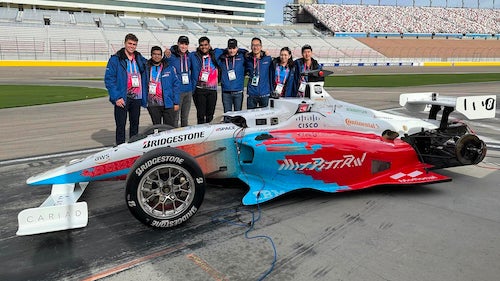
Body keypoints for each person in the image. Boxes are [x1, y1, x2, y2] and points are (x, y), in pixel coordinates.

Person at [104, 33, 147, 145]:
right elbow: (109, 79)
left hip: (137, 97)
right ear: (125, 43)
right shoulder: (116, 59)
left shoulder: (139, 57)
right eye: (130, 43)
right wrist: (116, 97)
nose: (132, 46)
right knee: (121, 125)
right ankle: (120, 148)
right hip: (122, 98)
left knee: (134, 125)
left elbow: (152, 63)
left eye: (134, 44)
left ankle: (133, 148)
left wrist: (167, 56)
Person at [189, 36, 222, 124]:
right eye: (202, 45)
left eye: (206, 45)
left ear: (209, 45)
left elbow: (229, 49)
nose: (204, 47)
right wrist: (171, 50)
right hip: (199, 89)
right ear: (199, 46)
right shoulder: (194, 56)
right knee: (200, 114)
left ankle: (209, 133)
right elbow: (181, 53)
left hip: (212, 90)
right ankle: (201, 132)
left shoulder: (215, 54)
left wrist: (245, 52)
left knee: (210, 115)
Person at [145, 46, 180, 126]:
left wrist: (176, 102)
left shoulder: (169, 68)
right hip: (153, 104)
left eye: (158, 54)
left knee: (169, 127)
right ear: (151, 55)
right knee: (156, 127)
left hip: (167, 103)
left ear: (161, 56)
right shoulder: (146, 67)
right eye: (154, 54)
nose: (156, 56)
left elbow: (176, 85)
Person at [165, 35, 192, 127]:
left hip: (188, 91)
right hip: (177, 91)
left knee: (185, 118)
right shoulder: (170, 56)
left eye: (186, 44)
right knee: (175, 118)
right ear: (178, 44)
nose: (183, 46)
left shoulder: (189, 56)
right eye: (182, 44)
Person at [217, 38, 246, 122]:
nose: (232, 50)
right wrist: (224, 51)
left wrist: (242, 51)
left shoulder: (242, 57)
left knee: (238, 116)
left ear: (237, 48)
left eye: (234, 48)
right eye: (230, 48)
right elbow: (215, 52)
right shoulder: (222, 58)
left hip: (238, 92)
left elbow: (248, 53)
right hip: (226, 92)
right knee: (227, 116)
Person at [244, 37, 272, 109]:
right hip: (252, 94)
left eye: (257, 45)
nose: (255, 47)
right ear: (251, 47)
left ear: (261, 47)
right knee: (250, 116)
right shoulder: (248, 59)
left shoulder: (268, 59)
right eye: (253, 45)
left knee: (264, 117)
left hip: (265, 94)